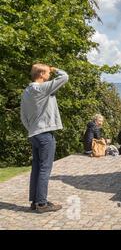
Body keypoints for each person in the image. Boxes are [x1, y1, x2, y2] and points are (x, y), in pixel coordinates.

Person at [20, 64, 69, 213]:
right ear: (41, 74)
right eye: (48, 72)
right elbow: (64, 77)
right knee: (44, 169)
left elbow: (23, 116)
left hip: (34, 134)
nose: (50, 74)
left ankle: (36, 201)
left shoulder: (27, 91)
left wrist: (31, 129)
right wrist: (55, 69)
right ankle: (41, 203)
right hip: (45, 134)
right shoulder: (42, 88)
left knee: (36, 168)